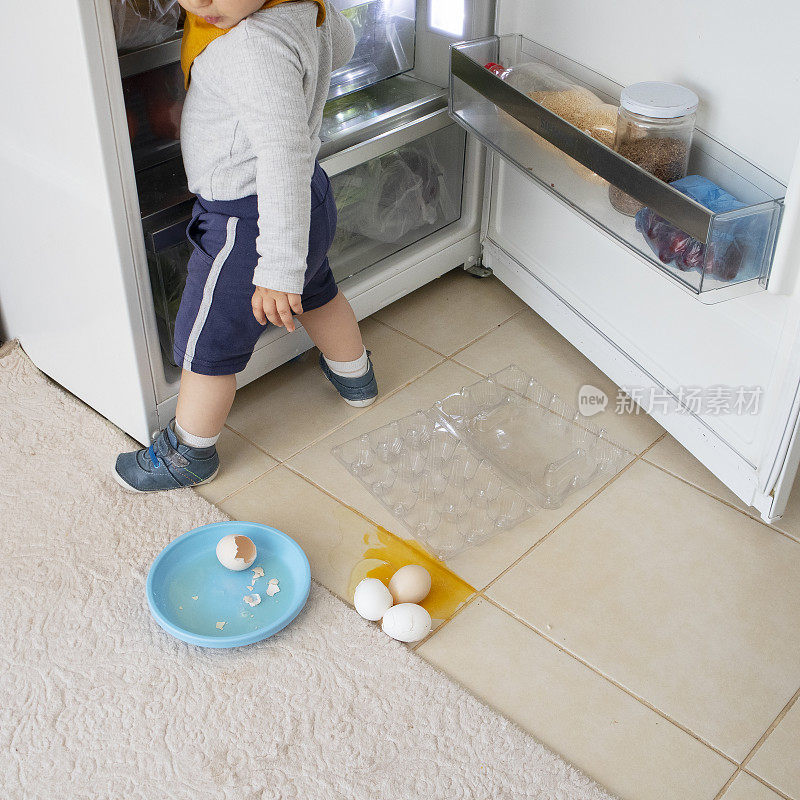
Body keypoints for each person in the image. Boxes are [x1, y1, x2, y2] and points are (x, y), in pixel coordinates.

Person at [115, 0, 377, 492]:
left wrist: (276, 267)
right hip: (309, 201)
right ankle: (356, 377)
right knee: (319, 292)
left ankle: (191, 451)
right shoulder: (307, 10)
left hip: (249, 222)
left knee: (205, 343)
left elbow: (281, 153)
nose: (199, 3)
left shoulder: (251, 46)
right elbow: (340, 44)